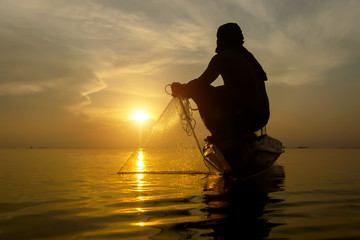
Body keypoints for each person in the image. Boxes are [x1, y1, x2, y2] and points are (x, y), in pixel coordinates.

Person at [171, 23, 269, 141]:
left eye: (218, 38)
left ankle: (220, 134)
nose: (217, 42)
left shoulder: (222, 58)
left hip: (246, 117)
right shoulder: (248, 58)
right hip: (262, 118)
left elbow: (201, 84)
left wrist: (182, 89)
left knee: (198, 90)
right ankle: (244, 133)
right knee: (220, 90)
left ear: (223, 39)